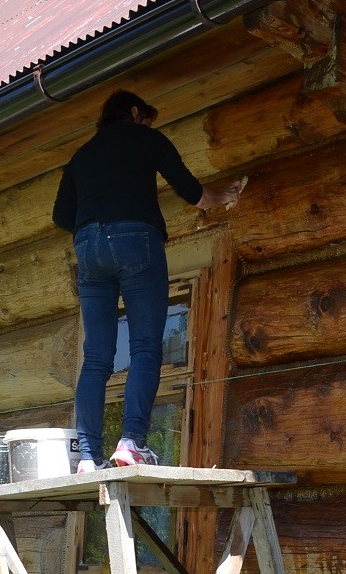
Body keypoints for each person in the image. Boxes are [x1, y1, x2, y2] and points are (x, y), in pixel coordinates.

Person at [52, 89, 243, 473]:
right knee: (144, 347)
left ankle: (87, 457)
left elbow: (61, 215)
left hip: (88, 246)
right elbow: (192, 193)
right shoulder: (147, 138)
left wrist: (96, 227)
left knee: (96, 359)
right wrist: (225, 195)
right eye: (147, 118)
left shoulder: (80, 157)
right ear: (136, 112)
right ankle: (131, 443)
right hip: (136, 240)